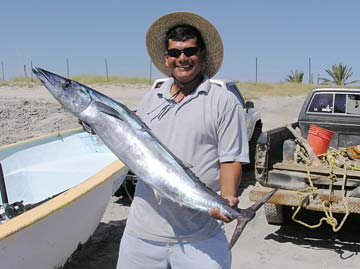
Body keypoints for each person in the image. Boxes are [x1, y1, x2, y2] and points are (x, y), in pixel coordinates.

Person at [117, 12, 249, 269]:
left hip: (200, 236)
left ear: (201, 55)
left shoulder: (223, 102)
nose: (183, 59)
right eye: (175, 53)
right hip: (142, 235)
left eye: (190, 51)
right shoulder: (150, 99)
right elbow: (131, 143)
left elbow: (231, 159)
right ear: (166, 59)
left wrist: (228, 196)